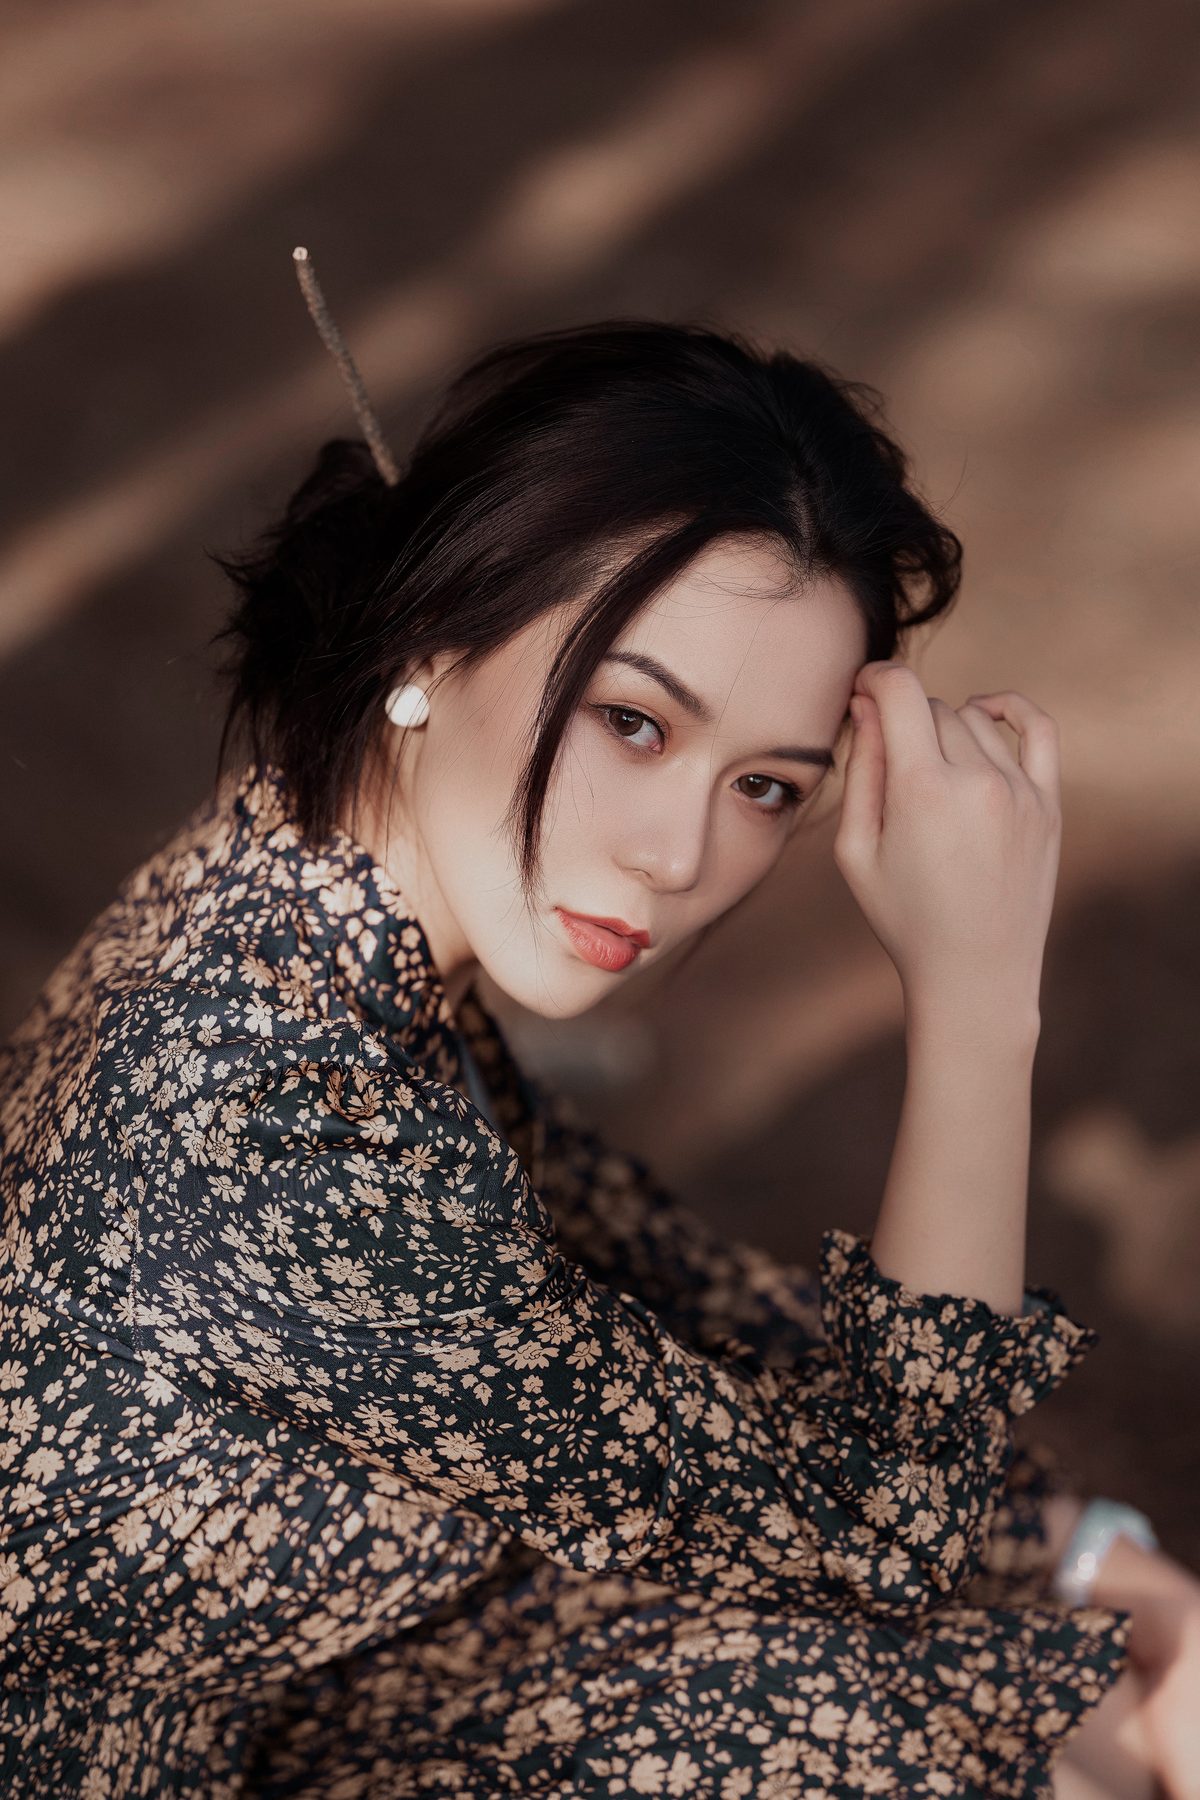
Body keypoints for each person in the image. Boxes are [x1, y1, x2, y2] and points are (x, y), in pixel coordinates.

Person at [1, 311, 1196, 1800]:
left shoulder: (307, 887)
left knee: (1065, 1709)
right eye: (633, 721)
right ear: (436, 625)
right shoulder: (272, 1138)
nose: (678, 855)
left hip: (329, 1660)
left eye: (767, 786)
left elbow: (671, 1288)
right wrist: (977, 999)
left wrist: (1088, 1552)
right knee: (941, 1750)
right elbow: (875, 1539)